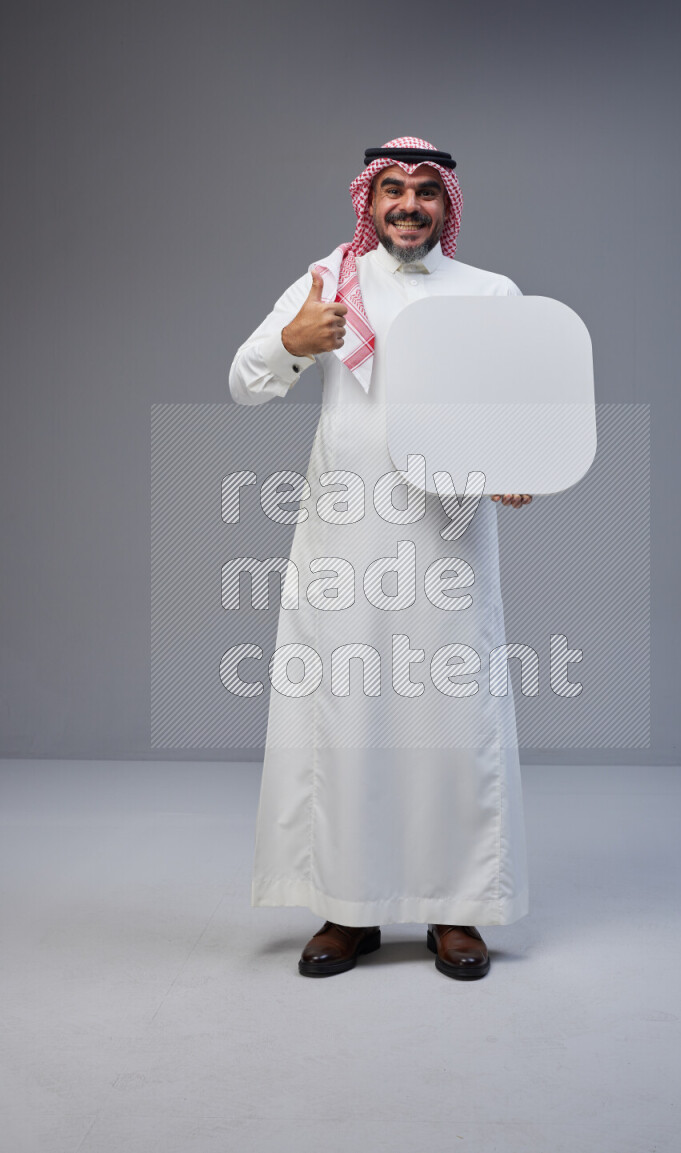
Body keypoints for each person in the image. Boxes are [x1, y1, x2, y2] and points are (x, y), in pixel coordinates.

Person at [229, 136, 531, 980]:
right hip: (345, 541)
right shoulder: (329, 283)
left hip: (448, 542)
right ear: (368, 201)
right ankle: (347, 908)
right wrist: (294, 341)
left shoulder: (490, 294)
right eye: (392, 188)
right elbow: (244, 380)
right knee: (347, 717)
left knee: (452, 717)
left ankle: (456, 910)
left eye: (426, 190)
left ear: (447, 205)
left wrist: (516, 462)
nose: (408, 204)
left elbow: (521, 409)